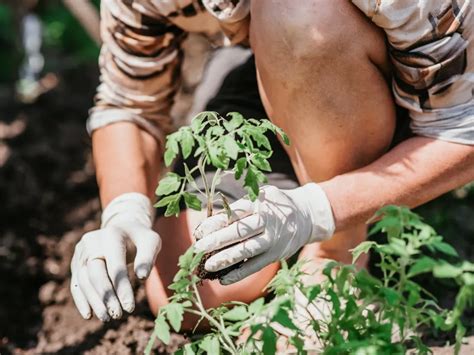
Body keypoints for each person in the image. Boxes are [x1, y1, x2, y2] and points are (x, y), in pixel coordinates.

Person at [70, 0, 474, 327]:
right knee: (193, 289)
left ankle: (336, 261)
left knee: (298, 13)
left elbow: (463, 131)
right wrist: (124, 213)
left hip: (409, 80)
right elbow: (129, 103)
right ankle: (248, 70)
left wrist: (315, 212)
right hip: (273, 62)